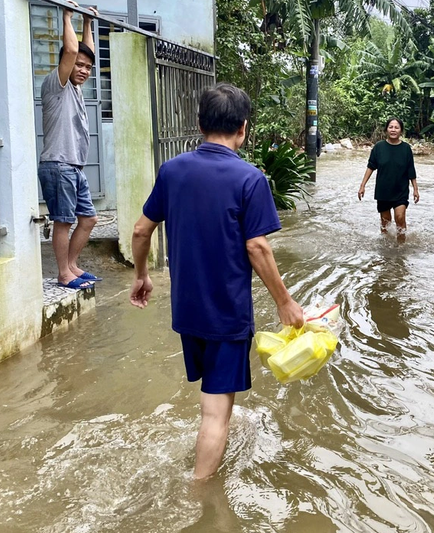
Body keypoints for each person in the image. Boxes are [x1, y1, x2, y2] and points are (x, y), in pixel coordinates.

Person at [129, 83, 304, 482]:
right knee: (215, 412)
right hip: (226, 314)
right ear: (243, 128)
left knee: (209, 397)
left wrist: (141, 276)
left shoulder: (172, 171)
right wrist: (284, 302)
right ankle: (200, 493)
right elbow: (257, 248)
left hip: (187, 310)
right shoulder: (250, 179)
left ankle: (205, 459)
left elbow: (141, 231)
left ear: (199, 124)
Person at [38, 1, 100, 290]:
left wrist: (88, 23)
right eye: (79, 66)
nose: (84, 70)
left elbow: (85, 52)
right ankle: (63, 273)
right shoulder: (56, 84)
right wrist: (66, 16)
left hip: (73, 166)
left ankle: (73, 265)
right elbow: (73, 51)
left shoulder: (75, 87)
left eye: (88, 68)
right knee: (63, 221)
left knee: (88, 219)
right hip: (58, 164)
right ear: (65, 63)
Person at [357, 118, 419, 242]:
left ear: (401, 130)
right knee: (385, 222)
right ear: (386, 130)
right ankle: (386, 250)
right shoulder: (379, 147)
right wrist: (362, 185)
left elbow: (410, 170)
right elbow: (371, 167)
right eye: (391, 127)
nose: (393, 130)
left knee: (400, 217)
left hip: (400, 189)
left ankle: (401, 247)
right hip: (383, 190)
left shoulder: (406, 148)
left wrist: (415, 189)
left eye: (396, 127)